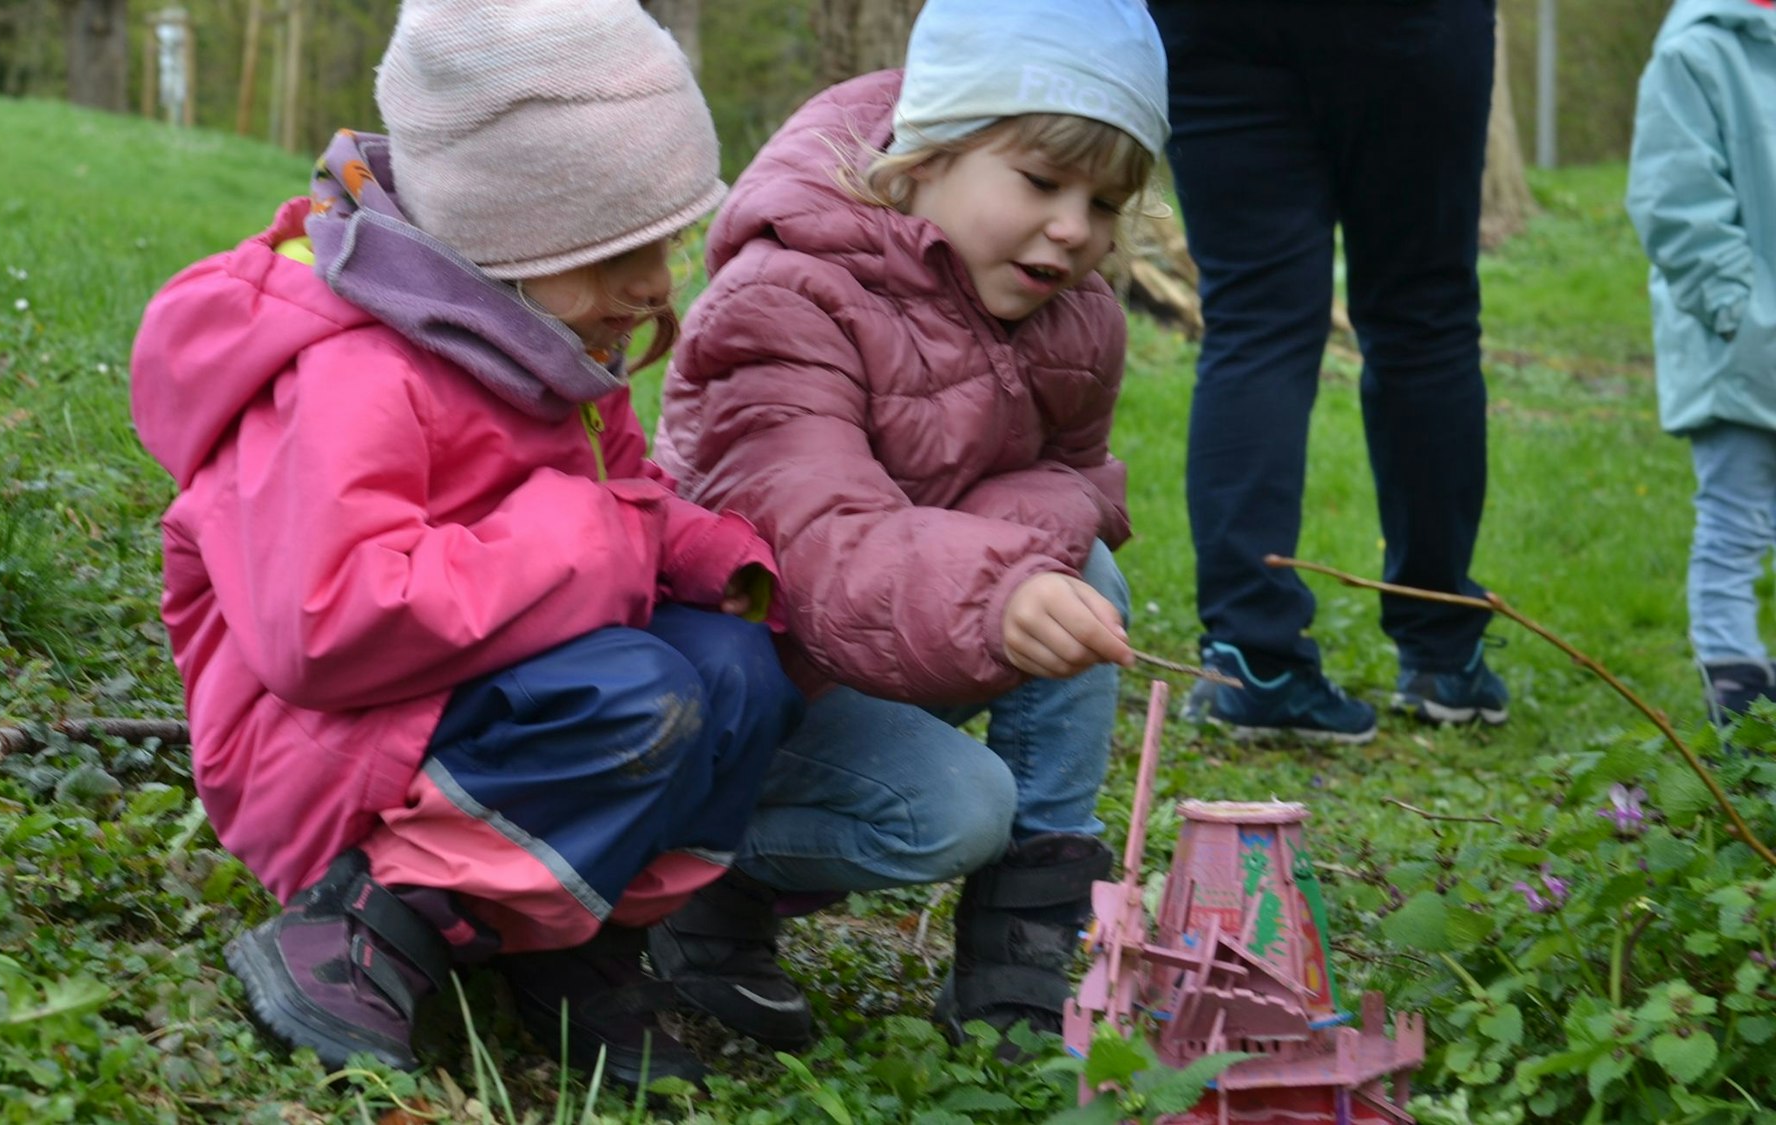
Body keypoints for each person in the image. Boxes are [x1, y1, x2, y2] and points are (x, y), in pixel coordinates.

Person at [127, 0, 802, 1085]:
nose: (651, 286)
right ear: (500, 235)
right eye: (611, 250)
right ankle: (362, 920)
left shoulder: (543, 338)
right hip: (318, 748)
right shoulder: (356, 373)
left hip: (466, 707)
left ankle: (576, 940)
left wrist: (700, 548)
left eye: (663, 244)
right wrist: (595, 536)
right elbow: (324, 626)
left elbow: (621, 496)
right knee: (633, 690)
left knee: (733, 673)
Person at [647, 0, 1162, 1052]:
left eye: (1103, 202)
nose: (1073, 228)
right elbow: (808, 530)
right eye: (1038, 182)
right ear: (922, 158)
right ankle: (691, 879)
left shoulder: (1073, 315)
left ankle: (1024, 928)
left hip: (892, 631)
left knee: (1088, 575)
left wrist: (1025, 564)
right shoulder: (788, 290)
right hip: (738, 685)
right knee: (949, 811)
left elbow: (1071, 478)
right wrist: (998, 589)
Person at [1155, 0, 1510, 741]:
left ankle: (1253, 660)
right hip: (1410, 27)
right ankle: (1442, 649)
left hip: (1215, 26)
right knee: (1423, 316)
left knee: (1253, 318)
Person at [1627, 0, 1776, 727]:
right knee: (1736, 520)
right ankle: (1740, 700)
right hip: (1740, 348)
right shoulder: (1696, 53)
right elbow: (1674, 199)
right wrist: (1741, 314)